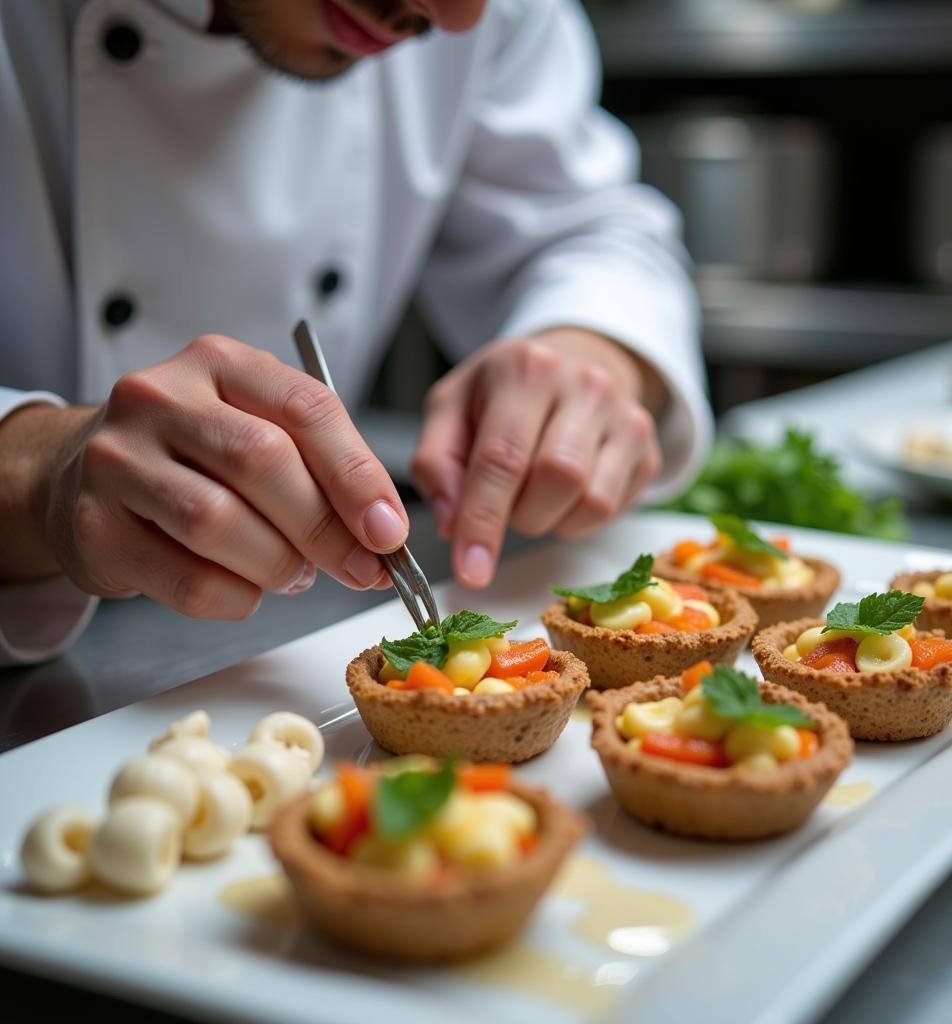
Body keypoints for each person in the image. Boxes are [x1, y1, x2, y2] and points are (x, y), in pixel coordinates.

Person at [0, 0, 710, 667]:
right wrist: (34, 474)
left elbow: (588, 226)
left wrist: (588, 346)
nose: (456, 18)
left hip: (280, 643)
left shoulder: (477, 12)